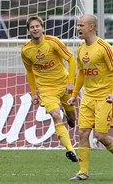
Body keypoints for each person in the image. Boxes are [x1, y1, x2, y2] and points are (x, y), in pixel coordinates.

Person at [21, 16, 78, 163]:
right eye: (32, 27)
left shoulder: (53, 42)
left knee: (72, 120)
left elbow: (71, 60)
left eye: (37, 26)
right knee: (55, 115)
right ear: (28, 31)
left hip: (64, 85)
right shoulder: (26, 51)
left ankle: (67, 112)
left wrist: (71, 83)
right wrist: (34, 94)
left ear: (42, 27)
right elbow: (30, 72)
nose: (35, 29)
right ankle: (70, 150)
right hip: (47, 90)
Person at [67, 14, 113, 181]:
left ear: (91, 27)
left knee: (101, 136)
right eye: (78, 25)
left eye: (81, 25)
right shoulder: (81, 50)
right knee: (83, 133)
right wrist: (73, 95)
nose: (78, 28)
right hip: (88, 97)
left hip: (105, 97)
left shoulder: (105, 48)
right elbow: (81, 74)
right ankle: (83, 172)